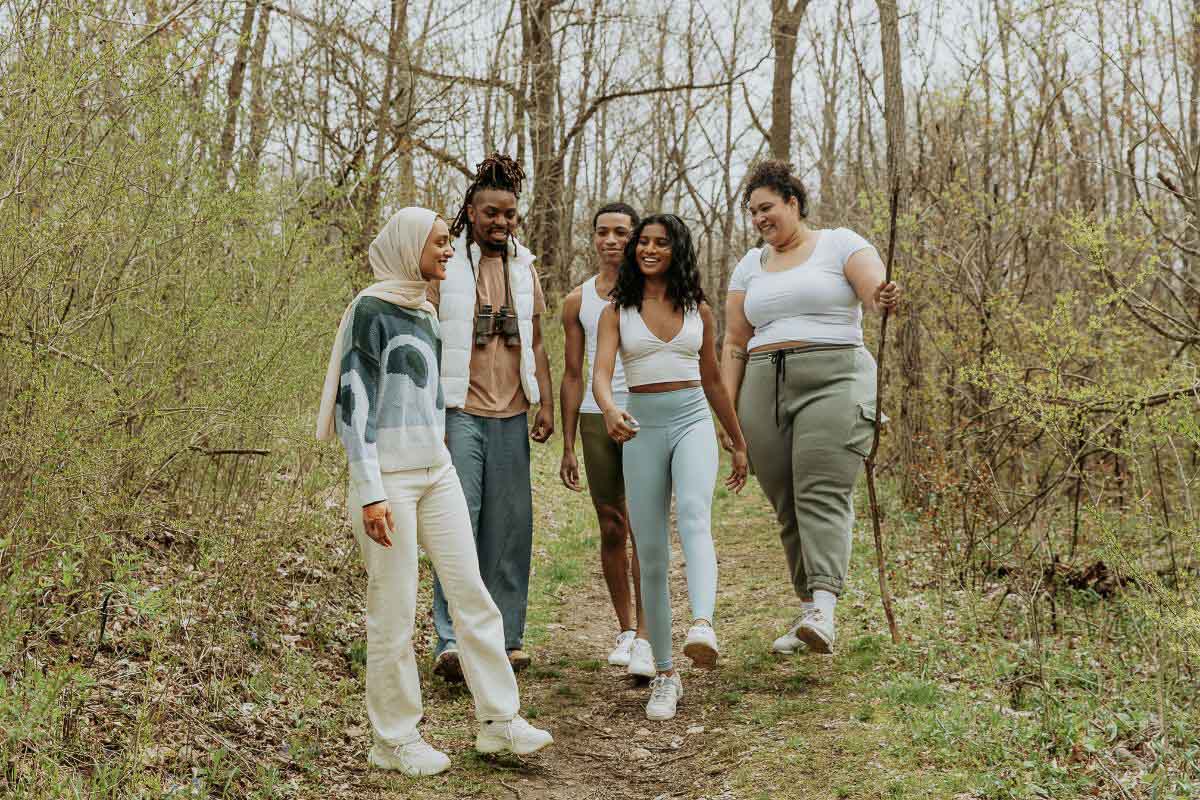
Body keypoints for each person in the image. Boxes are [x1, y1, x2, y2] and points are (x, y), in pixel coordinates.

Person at [316, 207, 553, 777]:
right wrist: (370, 490)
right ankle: (393, 738)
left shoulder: (424, 309)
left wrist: (441, 455)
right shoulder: (371, 310)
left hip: (434, 471)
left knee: (472, 594)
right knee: (393, 612)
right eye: (440, 242)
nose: (449, 251)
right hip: (388, 483)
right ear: (407, 246)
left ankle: (500, 722)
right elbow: (357, 404)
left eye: (450, 242)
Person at [719, 160, 901, 657]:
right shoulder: (749, 265)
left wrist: (884, 296)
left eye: (767, 207)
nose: (759, 218)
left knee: (820, 489)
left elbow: (873, 290)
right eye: (752, 211)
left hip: (835, 377)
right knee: (785, 499)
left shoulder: (841, 243)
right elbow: (735, 342)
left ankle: (825, 607)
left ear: (793, 203)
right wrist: (728, 414)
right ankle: (808, 614)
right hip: (762, 383)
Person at [593, 213, 749, 722]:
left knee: (695, 518)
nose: (648, 250)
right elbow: (600, 376)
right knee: (652, 551)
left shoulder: (697, 308)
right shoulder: (618, 310)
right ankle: (664, 673)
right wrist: (612, 411)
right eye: (644, 242)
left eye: (661, 243)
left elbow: (713, 380)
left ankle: (702, 624)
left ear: (677, 250)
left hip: (690, 421)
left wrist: (738, 441)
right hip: (641, 428)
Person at [426, 154, 555, 681]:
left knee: (509, 528)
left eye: (509, 214)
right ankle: (452, 641)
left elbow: (538, 340)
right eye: (490, 214)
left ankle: (507, 638)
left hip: (511, 411)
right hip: (461, 411)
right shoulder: (446, 263)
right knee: (457, 525)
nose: (500, 223)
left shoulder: (524, 267)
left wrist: (543, 399)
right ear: (471, 213)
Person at [559, 202, 653, 676]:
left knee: (643, 525)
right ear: (592, 238)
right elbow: (573, 374)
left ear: (634, 236)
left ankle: (647, 635)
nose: (611, 240)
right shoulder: (578, 301)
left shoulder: (652, 290)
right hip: (598, 417)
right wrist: (569, 443)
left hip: (644, 415)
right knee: (612, 524)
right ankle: (625, 628)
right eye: (602, 232)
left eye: (620, 232)